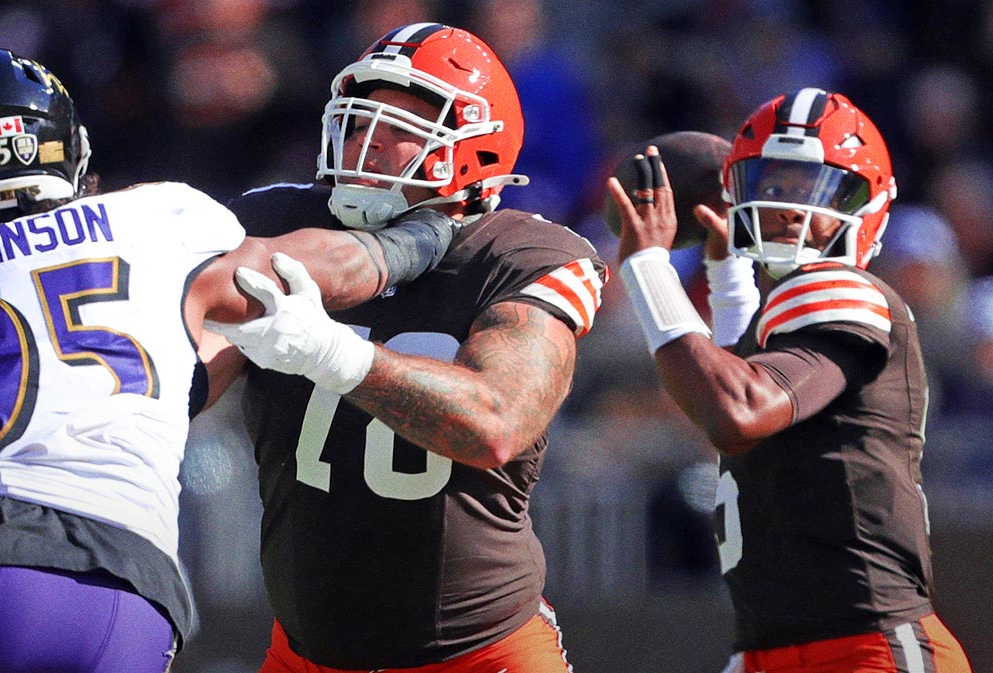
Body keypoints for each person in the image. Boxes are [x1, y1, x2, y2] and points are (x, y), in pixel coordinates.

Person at [0, 47, 455, 673]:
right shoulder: (152, 218)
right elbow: (297, 271)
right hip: (138, 598)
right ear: (64, 147)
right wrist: (419, 239)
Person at [207, 23, 608, 672]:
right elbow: (188, 383)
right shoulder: (280, 221)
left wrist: (330, 353)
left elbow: (496, 421)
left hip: (478, 652)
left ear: (473, 147)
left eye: (398, 125)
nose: (366, 141)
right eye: (360, 122)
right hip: (305, 653)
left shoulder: (523, 254)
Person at [607, 87, 972, 673]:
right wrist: (724, 272)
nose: (787, 208)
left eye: (815, 188)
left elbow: (736, 409)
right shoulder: (783, 315)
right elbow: (741, 376)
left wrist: (648, 268)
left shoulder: (844, 288)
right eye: (771, 186)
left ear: (865, 203)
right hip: (768, 648)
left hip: (864, 647)